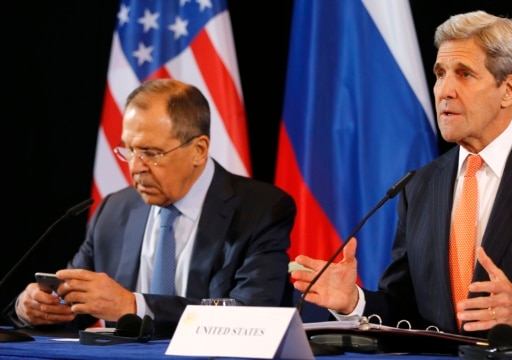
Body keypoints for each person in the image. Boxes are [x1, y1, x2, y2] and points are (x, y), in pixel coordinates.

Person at [290, 10, 512, 350]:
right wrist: (355, 303)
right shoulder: (420, 186)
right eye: (440, 73)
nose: (444, 90)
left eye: (464, 74)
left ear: (509, 89)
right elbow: (407, 309)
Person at [4, 78, 296, 337]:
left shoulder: (261, 211)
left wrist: (133, 306)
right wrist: (35, 307)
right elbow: (74, 307)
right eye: (129, 150)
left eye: (151, 153)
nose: (135, 167)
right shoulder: (114, 211)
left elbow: (253, 317)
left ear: (199, 150)